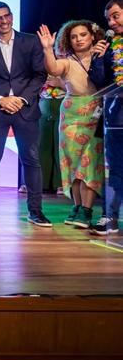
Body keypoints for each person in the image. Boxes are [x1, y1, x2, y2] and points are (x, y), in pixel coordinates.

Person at [0, 1, 51, 226]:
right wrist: (0, 100)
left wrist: (21, 99)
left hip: (25, 109)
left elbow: (39, 75)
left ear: (12, 16)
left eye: (6, 16)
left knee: (32, 159)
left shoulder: (31, 41)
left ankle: (35, 211)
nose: (4, 21)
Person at [38, 21, 105, 229]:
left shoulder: (103, 55)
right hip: (70, 113)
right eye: (74, 36)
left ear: (92, 36)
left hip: (95, 112)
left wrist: (101, 56)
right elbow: (53, 68)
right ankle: (76, 207)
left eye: (83, 34)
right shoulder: (67, 61)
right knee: (73, 162)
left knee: (90, 162)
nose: (79, 39)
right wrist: (48, 49)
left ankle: (87, 210)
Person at [88, 0, 123, 235]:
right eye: (108, 18)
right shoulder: (109, 47)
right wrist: (98, 58)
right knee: (116, 169)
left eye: (116, 15)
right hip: (116, 116)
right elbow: (100, 81)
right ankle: (109, 217)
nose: (111, 22)